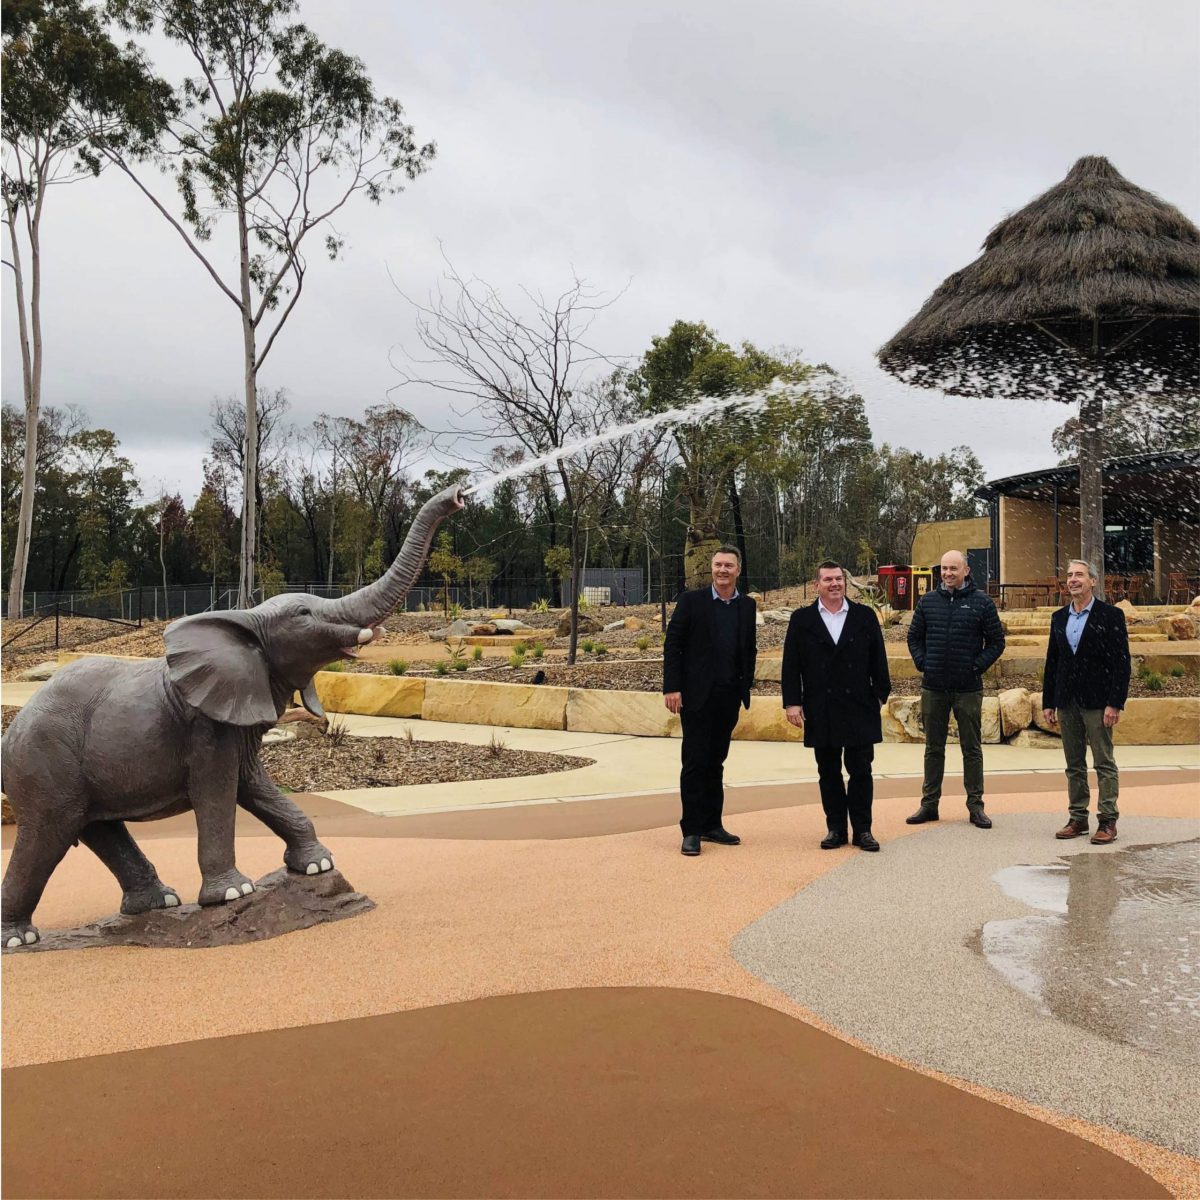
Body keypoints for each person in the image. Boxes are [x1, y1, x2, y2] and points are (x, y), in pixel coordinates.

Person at [782, 561, 891, 851]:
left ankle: (863, 831)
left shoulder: (864, 616)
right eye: (828, 579)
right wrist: (792, 702)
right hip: (821, 706)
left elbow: (879, 659)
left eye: (839, 579)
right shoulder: (802, 620)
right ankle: (836, 829)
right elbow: (791, 665)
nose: (835, 584)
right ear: (816, 584)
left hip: (859, 706)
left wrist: (881, 694)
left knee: (861, 771)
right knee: (828, 772)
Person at [663, 545, 757, 856]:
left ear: (738, 570)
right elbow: (673, 644)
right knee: (694, 762)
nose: (722, 570)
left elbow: (749, 649)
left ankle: (712, 824)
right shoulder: (692, 601)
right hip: (696, 697)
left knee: (716, 762)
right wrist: (672, 687)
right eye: (718, 565)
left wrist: (746, 685)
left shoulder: (747, 606)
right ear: (712, 569)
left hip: (729, 697)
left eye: (728, 565)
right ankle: (691, 830)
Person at [906, 549, 1005, 828]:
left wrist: (975, 667)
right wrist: (925, 663)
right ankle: (929, 805)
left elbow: (997, 642)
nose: (948, 573)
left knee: (971, 749)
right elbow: (914, 637)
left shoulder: (982, 603)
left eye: (953, 568)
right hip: (933, 687)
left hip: (967, 689)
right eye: (944, 569)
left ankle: (976, 806)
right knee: (933, 748)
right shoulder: (927, 602)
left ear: (966, 571)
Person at [1041, 558, 1131, 845]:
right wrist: (1049, 701)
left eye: (1079, 574)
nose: (1073, 579)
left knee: (1104, 762)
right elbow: (1052, 663)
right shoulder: (1059, 618)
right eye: (1069, 575)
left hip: (1098, 702)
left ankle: (1107, 820)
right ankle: (1078, 817)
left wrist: (1115, 702)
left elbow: (1121, 663)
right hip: (1067, 701)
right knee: (1074, 763)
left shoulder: (1111, 616)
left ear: (1093, 580)